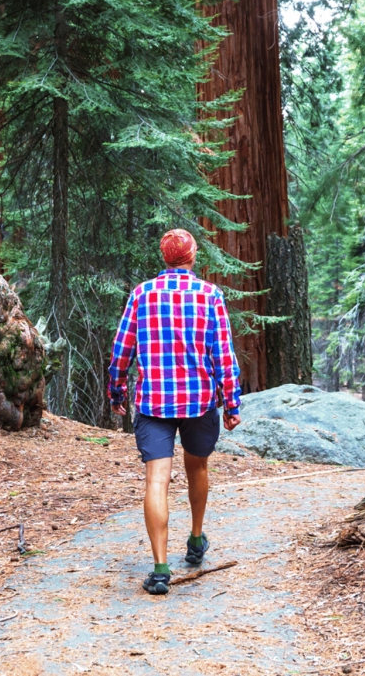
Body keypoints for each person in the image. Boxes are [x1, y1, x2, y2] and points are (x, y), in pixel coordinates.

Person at [107, 228, 241, 596]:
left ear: (164, 258)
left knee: (156, 480)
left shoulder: (142, 294)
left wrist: (116, 390)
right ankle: (196, 539)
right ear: (192, 255)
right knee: (197, 466)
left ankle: (161, 569)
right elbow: (223, 354)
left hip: (153, 403)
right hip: (199, 402)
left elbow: (122, 350)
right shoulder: (210, 295)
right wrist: (232, 402)